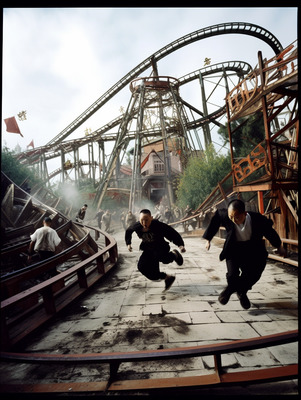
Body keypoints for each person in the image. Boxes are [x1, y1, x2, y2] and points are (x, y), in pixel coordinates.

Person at [203, 199, 286, 309]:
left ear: (245, 213)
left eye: (236, 217)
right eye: (230, 216)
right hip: (233, 248)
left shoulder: (256, 219)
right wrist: (208, 239)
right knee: (232, 274)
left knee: (253, 274)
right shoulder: (227, 216)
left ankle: (241, 292)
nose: (233, 220)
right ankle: (231, 288)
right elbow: (216, 218)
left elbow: (269, 231)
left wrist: (279, 246)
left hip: (252, 249)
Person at [125, 209, 186, 291]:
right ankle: (167, 278)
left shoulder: (158, 225)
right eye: (141, 220)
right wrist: (129, 243)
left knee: (163, 259)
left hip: (161, 247)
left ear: (151, 218)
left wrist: (180, 245)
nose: (144, 223)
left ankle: (174, 254)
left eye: (146, 220)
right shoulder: (137, 226)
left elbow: (171, 232)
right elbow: (129, 231)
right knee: (142, 267)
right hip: (148, 249)